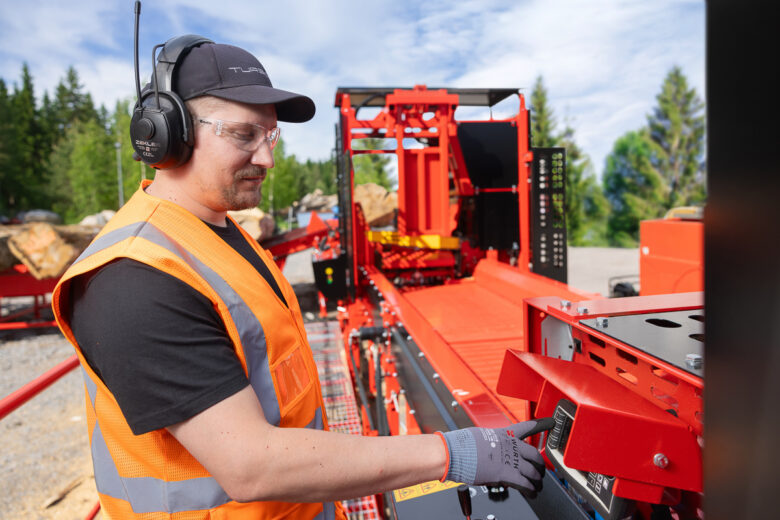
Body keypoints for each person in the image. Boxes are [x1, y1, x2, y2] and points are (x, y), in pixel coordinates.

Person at [52, 38, 552, 519]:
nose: (267, 158)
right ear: (167, 131)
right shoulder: (133, 279)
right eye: (244, 135)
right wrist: (452, 452)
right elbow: (251, 465)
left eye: (270, 136)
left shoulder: (220, 234)